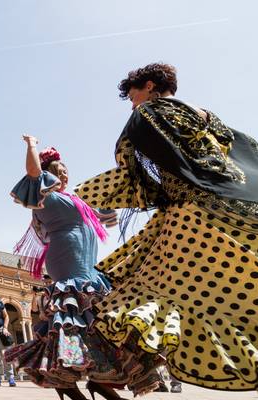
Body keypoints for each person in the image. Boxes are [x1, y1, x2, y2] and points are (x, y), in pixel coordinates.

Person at [75, 63, 258, 392]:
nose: (132, 104)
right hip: (234, 208)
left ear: (148, 86)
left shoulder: (150, 113)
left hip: (190, 218)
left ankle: (115, 372)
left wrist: (97, 198)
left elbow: (131, 165)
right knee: (219, 291)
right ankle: (116, 371)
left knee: (150, 296)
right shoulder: (206, 116)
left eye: (133, 95)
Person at [5, 138, 162, 400]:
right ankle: (65, 380)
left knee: (98, 320)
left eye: (65, 169)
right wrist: (32, 145)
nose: (64, 173)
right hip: (66, 261)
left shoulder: (78, 199)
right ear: (48, 174)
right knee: (72, 319)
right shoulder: (45, 196)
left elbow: (110, 208)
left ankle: (100, 380)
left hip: (89, 266)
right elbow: (33, 172)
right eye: (58, 170)